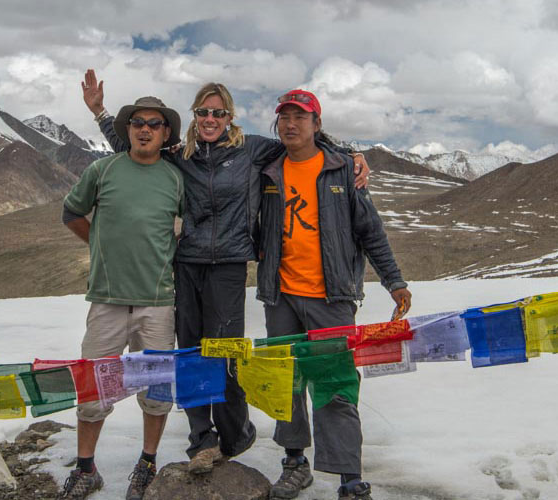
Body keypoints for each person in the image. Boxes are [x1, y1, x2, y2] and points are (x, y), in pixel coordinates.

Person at [81, 70, 371, 475]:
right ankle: (202, 438)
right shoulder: (181, 156)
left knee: (225, 353)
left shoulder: (254, 150)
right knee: (191, 352)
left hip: (231, 265)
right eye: (203, 111)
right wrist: (100, 114)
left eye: (218, 112)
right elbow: (133, 149)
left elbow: (301, 140)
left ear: (230, 116)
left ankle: (235, 433)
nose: (210, 118)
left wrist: (352, 154)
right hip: (188, 266)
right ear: (195, 116)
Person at [257, 89, 411, 500]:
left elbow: (370, 230)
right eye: (284, 117)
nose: (291, 124)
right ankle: (294, 462)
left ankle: (349, 477)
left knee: (336, 381)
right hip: (282, 295)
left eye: (300, 117)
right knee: (285, 381)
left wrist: (394, 280)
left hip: (332, 296)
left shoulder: (343, 170)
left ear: (316, 124)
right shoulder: (268, 168)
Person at [60, 96, 185, 500]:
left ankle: (147, 463)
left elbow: (185, 227)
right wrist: (97, 246)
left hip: (157, 302)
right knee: (93, 389)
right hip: (108, 300)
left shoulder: (175, 178)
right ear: (127, 129)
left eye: (154, 123)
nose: (144, 129)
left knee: (157, 391)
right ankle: (86, 468)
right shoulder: (103, 169)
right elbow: (72, 213)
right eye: (136, 122)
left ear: (166, 133)